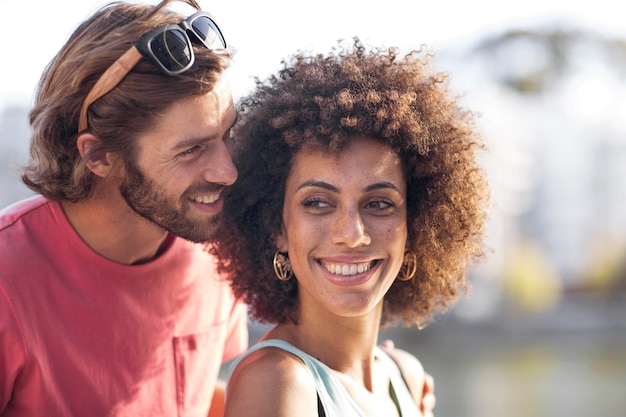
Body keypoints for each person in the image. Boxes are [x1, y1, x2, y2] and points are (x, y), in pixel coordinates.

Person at [211, 37, 490, 417]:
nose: (352, 233)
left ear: (416, 227)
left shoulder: (404, 377)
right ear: (277, 228)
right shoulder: (279, 383)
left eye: (379, 204)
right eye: (318, 203)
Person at [0, 1, 249, 415]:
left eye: (228, 133)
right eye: (191, 150)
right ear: (98, 156)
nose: (228, 171)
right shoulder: (7, 281)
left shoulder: (217, 253)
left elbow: (200, 400)